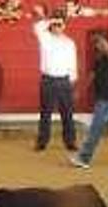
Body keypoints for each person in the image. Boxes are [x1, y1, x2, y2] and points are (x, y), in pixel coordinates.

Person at [69, 32, 108, 168]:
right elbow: (91, 76)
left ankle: (84, 158)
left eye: (102, 42)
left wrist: (103, 43)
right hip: (107, 98)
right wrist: (80, 91)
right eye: (97, 43)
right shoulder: (98, 59)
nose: (99, 45)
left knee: (95, 129)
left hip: (107, 99)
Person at [33, 10, 78, 151]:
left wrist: (72, 81)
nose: (57, 27)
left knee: (67, 113)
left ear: (64, 26)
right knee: (46, 112)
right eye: (55, 24)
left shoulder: (69, 42)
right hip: (48, 80)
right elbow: (37, 26)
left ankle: (70, 141)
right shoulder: (45, 36)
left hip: (64, 80)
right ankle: (42, 141)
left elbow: (72, 63)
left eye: (60, 24)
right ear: (51, 25)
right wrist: (52, 20)